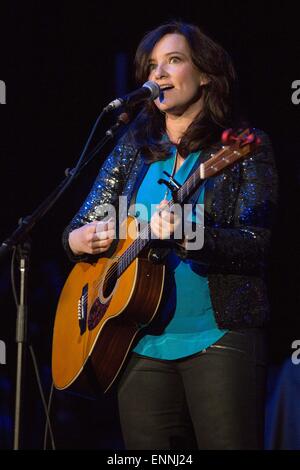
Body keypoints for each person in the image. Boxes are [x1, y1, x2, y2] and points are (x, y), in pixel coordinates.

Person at [62, 21, 278, 450]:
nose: (158, 74)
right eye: (152, 65)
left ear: (207, 75)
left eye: (174, 61)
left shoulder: (240, 147)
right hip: (137, 346)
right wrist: (76, 240)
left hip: (218, 339)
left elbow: (257, 244)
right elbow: (78, 224)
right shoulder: (133, 148)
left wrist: (190, 235)